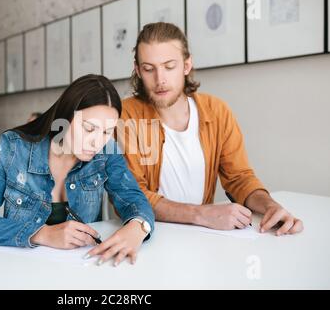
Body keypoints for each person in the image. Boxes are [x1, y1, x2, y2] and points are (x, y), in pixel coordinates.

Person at [117, 22, 303, 236]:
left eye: (169, 67)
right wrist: (202, 214)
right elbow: (131, 194)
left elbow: (239, 178)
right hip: (146, 234)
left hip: (204, 236)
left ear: (186, 66)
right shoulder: (127, 115)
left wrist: (270, 207)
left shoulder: (217, 111)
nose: (160, 80)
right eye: (149, 69)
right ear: (138, 70)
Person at [0, 74, 155, 266]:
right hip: (19, 271)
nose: (97, 142)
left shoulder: (107, 152)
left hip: (79, 271)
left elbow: (134, 199)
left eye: (106, 131)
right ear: (65, 117)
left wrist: (138, 227)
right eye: (88, 128)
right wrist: (42, 233)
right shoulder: (14, 148)